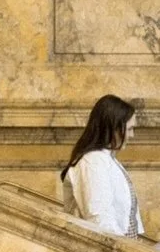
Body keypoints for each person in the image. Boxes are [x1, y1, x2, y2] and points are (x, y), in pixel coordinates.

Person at [59, 94, 144, 238]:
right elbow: (99, 218)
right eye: (129, 129)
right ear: (113, 128)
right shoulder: (93, 162)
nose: (132, 135)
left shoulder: (107, 160)